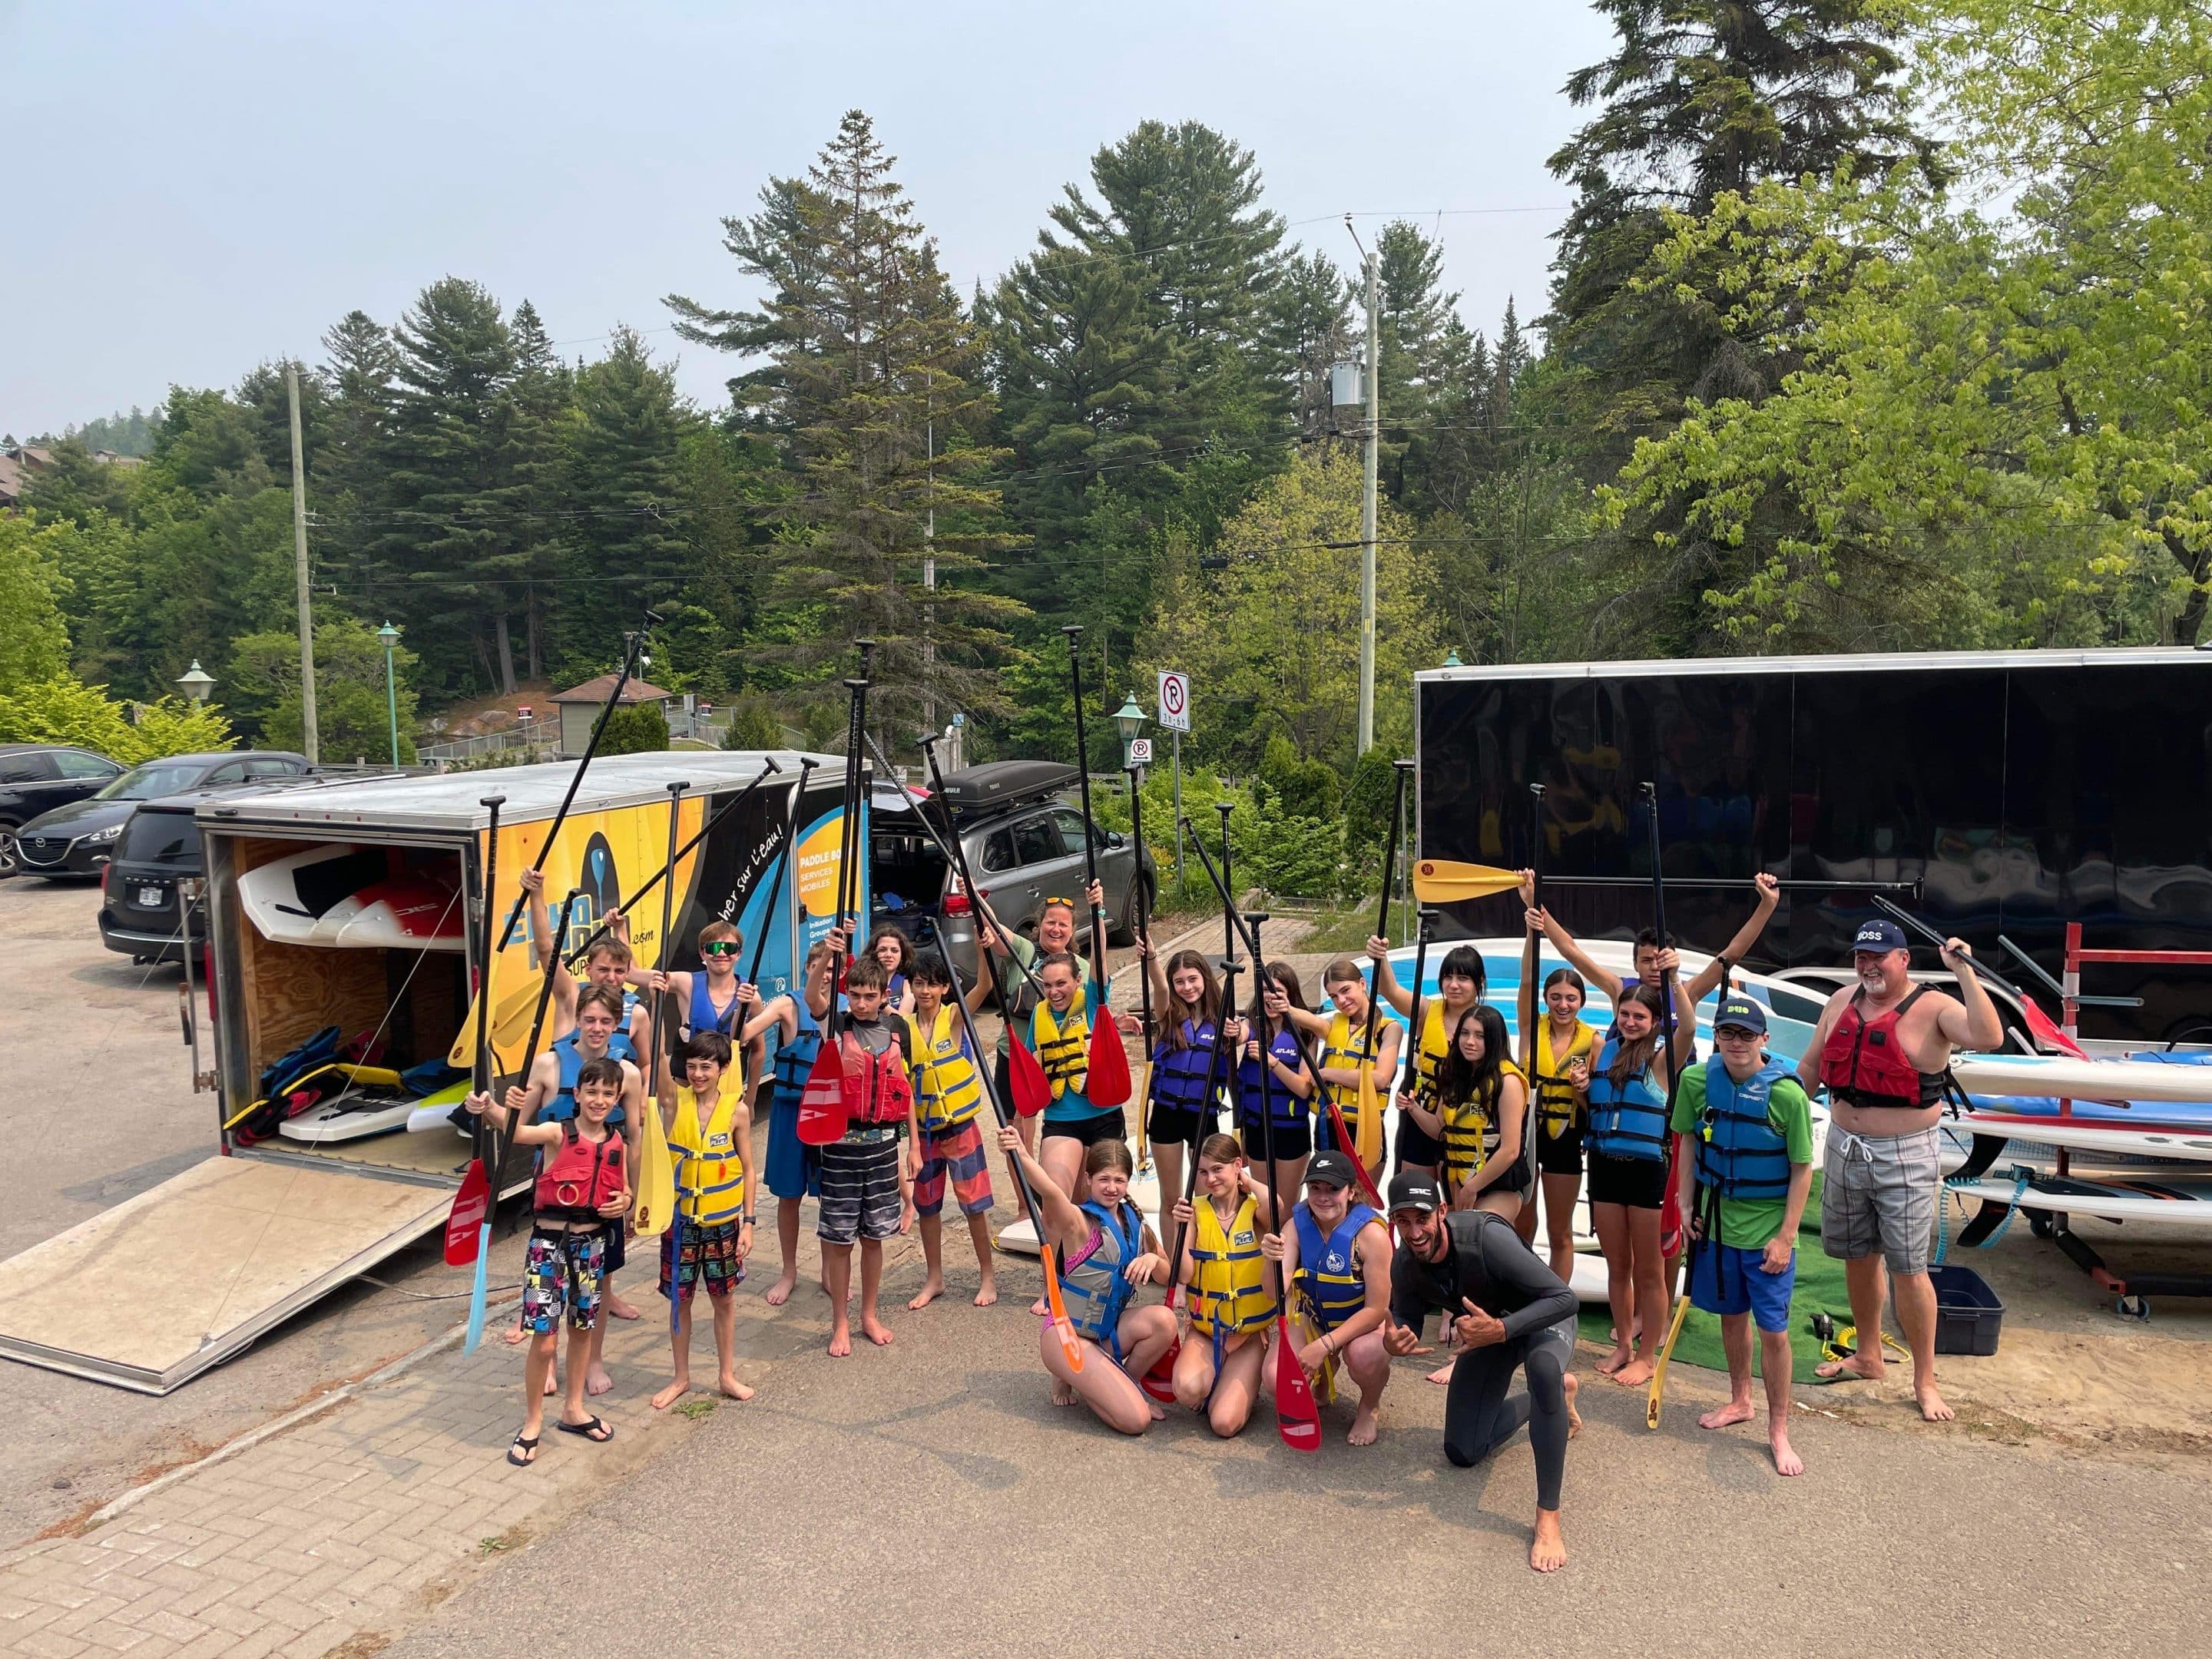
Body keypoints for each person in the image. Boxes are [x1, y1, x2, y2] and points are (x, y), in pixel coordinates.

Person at [1799, 918, 2002, 1422]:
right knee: (1856, 1255)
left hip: (1906, 1152)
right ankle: (1868, 1355)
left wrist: (1964, 972)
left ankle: (1925, 1380)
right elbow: (1808, 1070)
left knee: (1909, 1269)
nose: (1868, 966)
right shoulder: (1840, 1001)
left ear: (1903, 959)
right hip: (1845, 1146)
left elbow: (1989, 1036)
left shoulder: (1933, 1007)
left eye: (1879, 957)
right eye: (1861, 957)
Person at [1382, 1172, 1581, 1575]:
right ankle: (1555, 1400)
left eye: (1421, 1218)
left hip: (1541, 1322)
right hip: (1489, 1336)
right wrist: (1395, 1339)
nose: (1414, 1232)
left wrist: (1503, 1328)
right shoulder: (1405, 1262)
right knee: (1463, 1451)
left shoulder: (1484, 1236)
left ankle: (1548, 1517)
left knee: (1542, 1369)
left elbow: (1566, 1299)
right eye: (1403, 1221)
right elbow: (1405, 1318)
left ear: (1442, 1211)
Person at [1673, 995, 1815, 1475]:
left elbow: (1801, 1169)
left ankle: (1778, 1430)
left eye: (1747, 1035)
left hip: (1767, 1234)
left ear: (1764, 1040)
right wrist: (1685, 1205)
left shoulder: (1787, 1096)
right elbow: (1689, 1142)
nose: (1737, 1043)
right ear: (1716, 1036)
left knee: (1773, 1332)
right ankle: (1740, 1401)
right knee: (1731, 1318)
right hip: (1715, 1225)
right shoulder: (1696, 1081)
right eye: (1728, 1033)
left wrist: (1786, 1236)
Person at [466, 1056, 628, 1466]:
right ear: (578, 1094)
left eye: (608, 1094)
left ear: (617, 1098)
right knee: (544, 1341)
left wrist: (625, 1202)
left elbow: (623, 1190)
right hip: (549, 1246)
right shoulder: (558, 1133)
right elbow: (516, 1130)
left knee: (582, 1329)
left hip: (590, 1247)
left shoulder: (616, 1143)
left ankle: (574, 1410)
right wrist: (491, 1108)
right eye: (591, 1092)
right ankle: (533, 1421)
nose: (599, 1100)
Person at [502, 985, 644, 1395]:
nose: (597, 1028)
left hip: (605, 1196)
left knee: (598, 1283)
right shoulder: (548, 1064)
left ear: (617, 1025)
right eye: (589, 1020)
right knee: (553, 1280)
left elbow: (633, 1139)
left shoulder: (628, 1073)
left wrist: (632, 1197)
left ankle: (592, 1360)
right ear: (577, 1019)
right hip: (557, 1187)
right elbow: (518, 1125)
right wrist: (508, 1105)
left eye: (605, 1021)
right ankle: (546, 1362)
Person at [997, 1125, 1176, 1435]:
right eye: (1103, 1179)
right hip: (1067, 1337)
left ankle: (1121, 1383)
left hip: (1105, 1333)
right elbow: (1052, 1193)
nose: (1111, 1187)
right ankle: (1089, 1382)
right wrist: (1022, 1154)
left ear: (1128, 1183)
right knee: (1137, 1422)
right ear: (1088, 1179)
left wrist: (1153, 1259)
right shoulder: (1079, 1222)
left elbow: (1168, 1274)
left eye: (1119, 1180)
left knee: (1165, 1320)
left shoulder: (1135, 1221)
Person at [1584, 980, 1697, 1387]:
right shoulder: (1604, 1052)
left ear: (1653, 1022)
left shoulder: (1663, 1061)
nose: (1630, 1022)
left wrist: (1677, 979)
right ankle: (1623, 1349)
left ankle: (1648, 1355)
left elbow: (1688, 1027)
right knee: (1618, 1266)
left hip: (1646, 1173)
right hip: (1605, 1168)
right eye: (1625, 1014)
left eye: (1640, 1016)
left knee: (1649, 1271)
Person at [805, 945, 917, 1357]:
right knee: (839, 1241)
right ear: (847, 995)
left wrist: (915, 1148)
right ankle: (840, 1323)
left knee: (875, 1239)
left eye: (871, 996)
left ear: (884, 995)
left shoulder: (898, 1030)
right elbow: (811, 997)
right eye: (856, 995)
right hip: (840, 1152)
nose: (863, 1003)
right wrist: (825, 959)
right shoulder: (835, 1025)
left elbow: (906, 1094)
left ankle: (869, 1315)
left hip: (884, 1150)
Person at [1260, 1150, 1394, 1445]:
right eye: (1315, 1188)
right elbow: (1274, 1293)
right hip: (1315, 1318)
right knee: (1274, 1377)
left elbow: (1377, 1309)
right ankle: (1325, 1372)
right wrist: (1269, 1260)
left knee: (1363, 1356)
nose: (1323, 1197)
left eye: (1333, 1189)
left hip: (1362, 1325)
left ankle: (1369, 1407)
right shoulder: (1296, 1226)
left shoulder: (1371, 1235)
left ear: (1351, 1191)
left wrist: (1326, 1344)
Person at [652, 1030, 755, 1409]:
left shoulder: (737, 1110)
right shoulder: (672, 1103)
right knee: (679, 1302)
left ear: (723, 1069)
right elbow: (657, 1061)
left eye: (706, 1067)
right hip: (680, 1225)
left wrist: (749, 1223)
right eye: (692, 1066)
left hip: (723, 1225)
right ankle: (681, 1377)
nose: (697, 1074)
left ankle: (726, 1375)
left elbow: (748, 1169)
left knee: (724, 1300)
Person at [977, 879, 1105, 1183]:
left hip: (1060, 1062)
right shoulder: (1021, 949)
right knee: (1017, 1134)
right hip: (1016, 1058)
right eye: (1051, 922)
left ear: (1072, 931)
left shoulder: (1081, 968)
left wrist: (1098, 909)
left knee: (1063, 1135)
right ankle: (1025, 1204)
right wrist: (971, 889)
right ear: (1040, 925)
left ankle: (1066, 1199)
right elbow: (993, 927)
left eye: (1063, 925)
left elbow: (1096, 1006)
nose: (1056, 929)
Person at [1529, 870, 1783, 1023]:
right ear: (1635, 964)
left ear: (1673, 959)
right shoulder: (1619, 988)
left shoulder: (1688, 992)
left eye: (1659, 959)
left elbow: (1732, 953)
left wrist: (1767, 906)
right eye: (1646, 961)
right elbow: (1570, 950)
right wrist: (1532, 900)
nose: (1653, 967)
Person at [904, 952, 998, 1310]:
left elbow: (984, 986)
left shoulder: (953, 1016)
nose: (925, 990)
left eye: (932, 983)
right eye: (918, 983)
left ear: (945, 987)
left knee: (974, 1204)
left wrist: (980, 948)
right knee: (927, 1207)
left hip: (960, 1128)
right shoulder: (904, 1027)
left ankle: (987, 1275)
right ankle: (935, 1277)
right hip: (924, 1134)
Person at [743, 939, 833, 1307]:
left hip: (827, 1113)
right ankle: (789, 1270)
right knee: (789, 1195)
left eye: (830, 969)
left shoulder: (847, 1004)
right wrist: (747, 1012)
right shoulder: (788, 1004)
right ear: (807, 969)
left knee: (832, 1194)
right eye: (818, 967)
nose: (825, 975)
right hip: (791, 1113)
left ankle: (830, 1268)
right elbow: (752, 1030)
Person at [1171, 1131, 1278, 1439]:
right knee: (1187, 1390)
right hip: (1206, 1330)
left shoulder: (1256, 1208)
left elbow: (1279, 1206)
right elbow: (1186, 1275)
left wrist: (1248, 1181)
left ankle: (1242, 1382)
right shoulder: (1195, 1210)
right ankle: (1219, 1375)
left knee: (1223, 1425)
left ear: (1237, 1166)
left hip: (1248, 1333)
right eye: (1203, 1172)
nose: (1210, 1179)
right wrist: (1182, 1230)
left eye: (1218, 1169)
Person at [1366, 935, 1488, 1178]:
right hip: (1417, 1113)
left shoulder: (1488, 1024)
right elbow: (1389, 990)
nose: (1453, 985)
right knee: (1415, 1195)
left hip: (1460, 1122)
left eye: (1463, 978)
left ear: (1479, 983)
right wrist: (1381, 956)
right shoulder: (1425, 1010)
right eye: (1448, 977)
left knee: (1456, 1204)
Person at [1139, 942, 1226, 1266]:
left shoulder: (1223, 1020)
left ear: (1204, 977)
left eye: (1192, 979)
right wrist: (1152, 959)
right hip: (1166, 1115)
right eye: (1180, 982)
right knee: (1172, 1197)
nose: (1187, 987)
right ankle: (1175, 1265)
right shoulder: (1169, 1016)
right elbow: (1159, 987)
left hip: (1204, 1115)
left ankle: (1203, 1264)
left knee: (1206, 1197)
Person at [1288, 958, 1402, 1189]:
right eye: (1333, 996)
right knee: (1329, 1199)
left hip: (1365, 1129)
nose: (1341, 1001)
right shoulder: (1333, 1025)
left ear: (1362, 983)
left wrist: (1327, 1073)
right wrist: (1284, 1006)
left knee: (1360, 1202)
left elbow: (1380, 1079)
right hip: (1329, 1128)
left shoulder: (1390, 1029)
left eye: (1345, 991)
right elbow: (1305, 1018)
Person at [1522, 966, 1599, 1283]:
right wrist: (1531, 932)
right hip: (1527, 1136)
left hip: (1565, 1139)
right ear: (1545, 999)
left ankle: (1556, 1303)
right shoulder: (1530, 1028)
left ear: (1581, 1001)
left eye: (1571, 998)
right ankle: (1523, 1289)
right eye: (1555, 997)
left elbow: (1596, 1107)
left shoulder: (1594, 1043)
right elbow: (1527, 979)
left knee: (1559, 1230)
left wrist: (1584, 1089)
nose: (1563, 1005)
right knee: (1522, 1225)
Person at [1028, 948, 1124, 1201]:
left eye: (1061, 983)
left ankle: (1104, 1239)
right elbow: (1029, 1073)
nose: (1054, 992)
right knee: (1057, 1197)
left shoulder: (1093, 1002)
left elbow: (1100, 959)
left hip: (1104, 1117)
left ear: (1077, 981)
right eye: (1048, 985)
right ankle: (1061, 1242)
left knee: (1101, 1196)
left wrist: (1099, 914)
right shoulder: (1039, 1015)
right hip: (1061, 1120)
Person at [1233, 962, 1315, 1207]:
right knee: (1264, 1205)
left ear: (1290, 994)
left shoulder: (1305, 1033)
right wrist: (1233, 1030)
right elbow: (1240, 1034)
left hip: (1291, 1132)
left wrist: (1273, 1063)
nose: (1270, 997)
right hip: (1257, 1129)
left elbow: (1303, 1087)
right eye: (1265, 990)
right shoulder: (1253, 1025)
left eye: (1277, 990)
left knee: (1286, 1208)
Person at [641, 918, 758, 1064]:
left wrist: (752, 1088)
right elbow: (630, 973)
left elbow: (758, 1051)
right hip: (686, 1081)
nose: (721, 954)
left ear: (739, 954)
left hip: (729, 1084)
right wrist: (620, 929)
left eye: (729, 948)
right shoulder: (685, 983)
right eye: (713, 948)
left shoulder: (751, 996)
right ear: (702, 953)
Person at [868, 922, 917, 1018]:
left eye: (894, 951)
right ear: (873, 952)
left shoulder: (908, 981)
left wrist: (881, 1004)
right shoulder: (864, 977)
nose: (889, 955)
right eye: (882, 950)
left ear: (902, 955)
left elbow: (903, 1019)